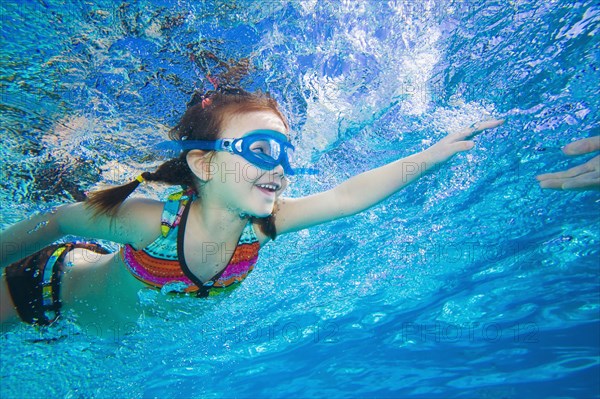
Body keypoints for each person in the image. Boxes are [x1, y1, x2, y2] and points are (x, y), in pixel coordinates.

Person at [0, 88, 504, 335]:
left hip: (91, 333)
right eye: (263, 148)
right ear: (203, 163)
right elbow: (61, 219)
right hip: (43, 289)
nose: (281, 166)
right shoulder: (154, 221)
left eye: (286, 152)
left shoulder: (261, 229)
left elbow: (347, 198)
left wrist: (432, 154)